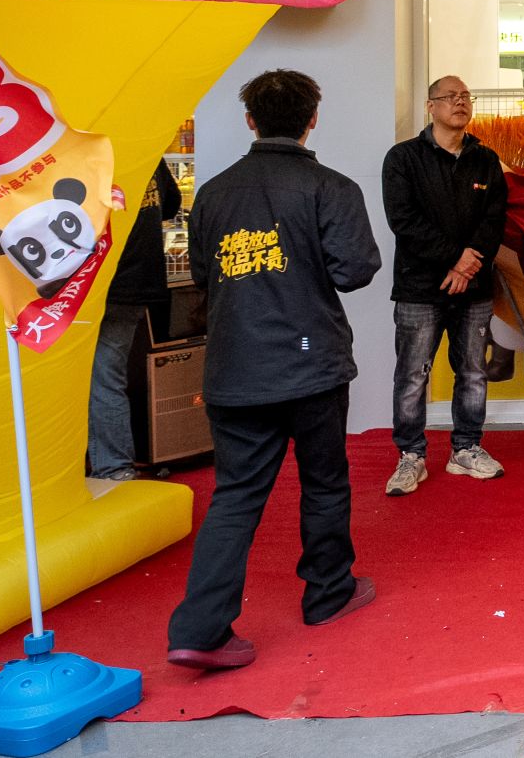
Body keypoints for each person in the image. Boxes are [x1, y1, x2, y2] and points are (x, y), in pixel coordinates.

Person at [166, 70, 382, 670]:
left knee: (235, 496)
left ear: (250, 120)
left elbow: (202, 273)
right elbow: (355, 270)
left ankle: (199, 630)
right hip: (312, 366)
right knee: (324, 481)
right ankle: (328, 594)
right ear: (313, 120)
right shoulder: (331, 187)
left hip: (235, 366)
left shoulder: (213, 193)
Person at [380, 74, 509, 495]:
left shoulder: (485, 159)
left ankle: (466, 448)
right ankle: (411, 455)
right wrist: (456, 258)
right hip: (419, 288)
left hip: (473, 288)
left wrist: (468, 265)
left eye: (465, 96)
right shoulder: (403, 159)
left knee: (473, 371)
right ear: (430, 106)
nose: (460, 102)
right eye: (450, 96)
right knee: (412, 375)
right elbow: (404, 221)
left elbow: (494, 219)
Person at [87, 160, 180, 480]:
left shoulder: (84, 151)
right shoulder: (148, 154)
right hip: (141, 280)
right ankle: (114, 462)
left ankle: (112, 466)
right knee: (110, 377)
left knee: (100, 379)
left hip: (98, 285)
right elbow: (172, 204)